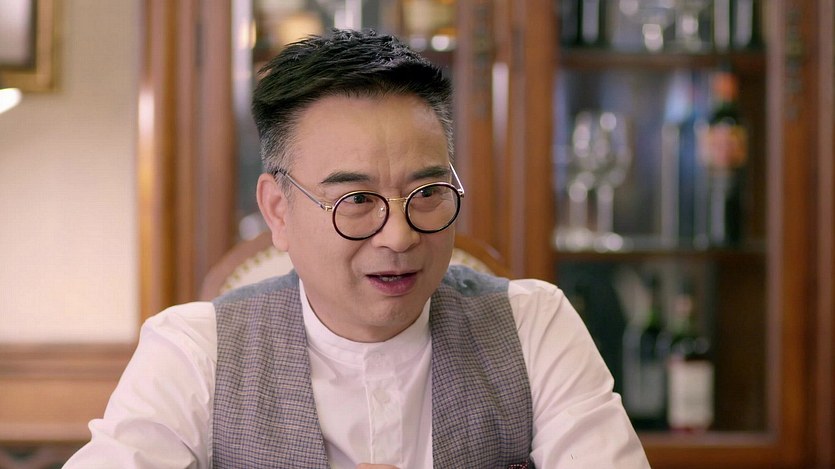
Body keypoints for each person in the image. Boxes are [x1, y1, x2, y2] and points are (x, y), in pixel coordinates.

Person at [65, 29, 650, 468]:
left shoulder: (532, 324)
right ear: (279, 210)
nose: (399, 236)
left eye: (427, 193)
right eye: (358, 200)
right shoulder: (196, 350)